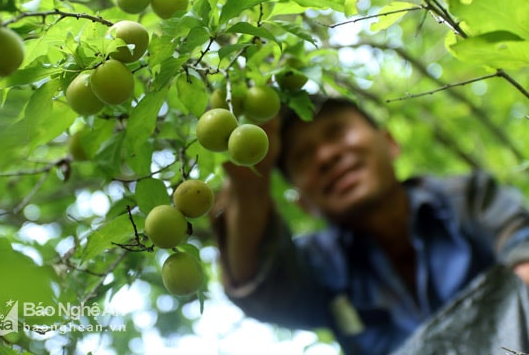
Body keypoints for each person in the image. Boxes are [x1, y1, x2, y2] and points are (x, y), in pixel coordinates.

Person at [210, 96, 529, 355]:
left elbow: (523, 252)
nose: (326, 157)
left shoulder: (465, 199)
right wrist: (251, 184)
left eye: (336, 132)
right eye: (303, 157)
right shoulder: (322, 266)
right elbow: (262, 288)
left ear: (389, 143)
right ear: (304, 203)